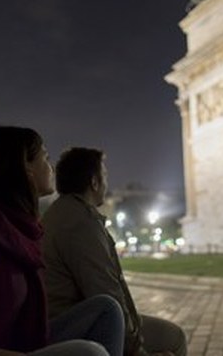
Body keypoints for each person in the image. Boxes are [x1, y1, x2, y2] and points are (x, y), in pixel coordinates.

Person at [0, 126, 124, 356]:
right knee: (89, 353)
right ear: (25, 166)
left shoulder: (23, 228)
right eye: (45, 157)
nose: (51, 168)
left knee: (106, 308)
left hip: (21, 341)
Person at [42, 147, 187, 356]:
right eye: (105, 175)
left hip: (78, 318)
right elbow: (104, 291)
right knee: (173, 338)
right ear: (94, 182)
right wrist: (138, 350)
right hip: (82, 326)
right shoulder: (80, 223)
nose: (107, 182)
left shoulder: (62, 213)